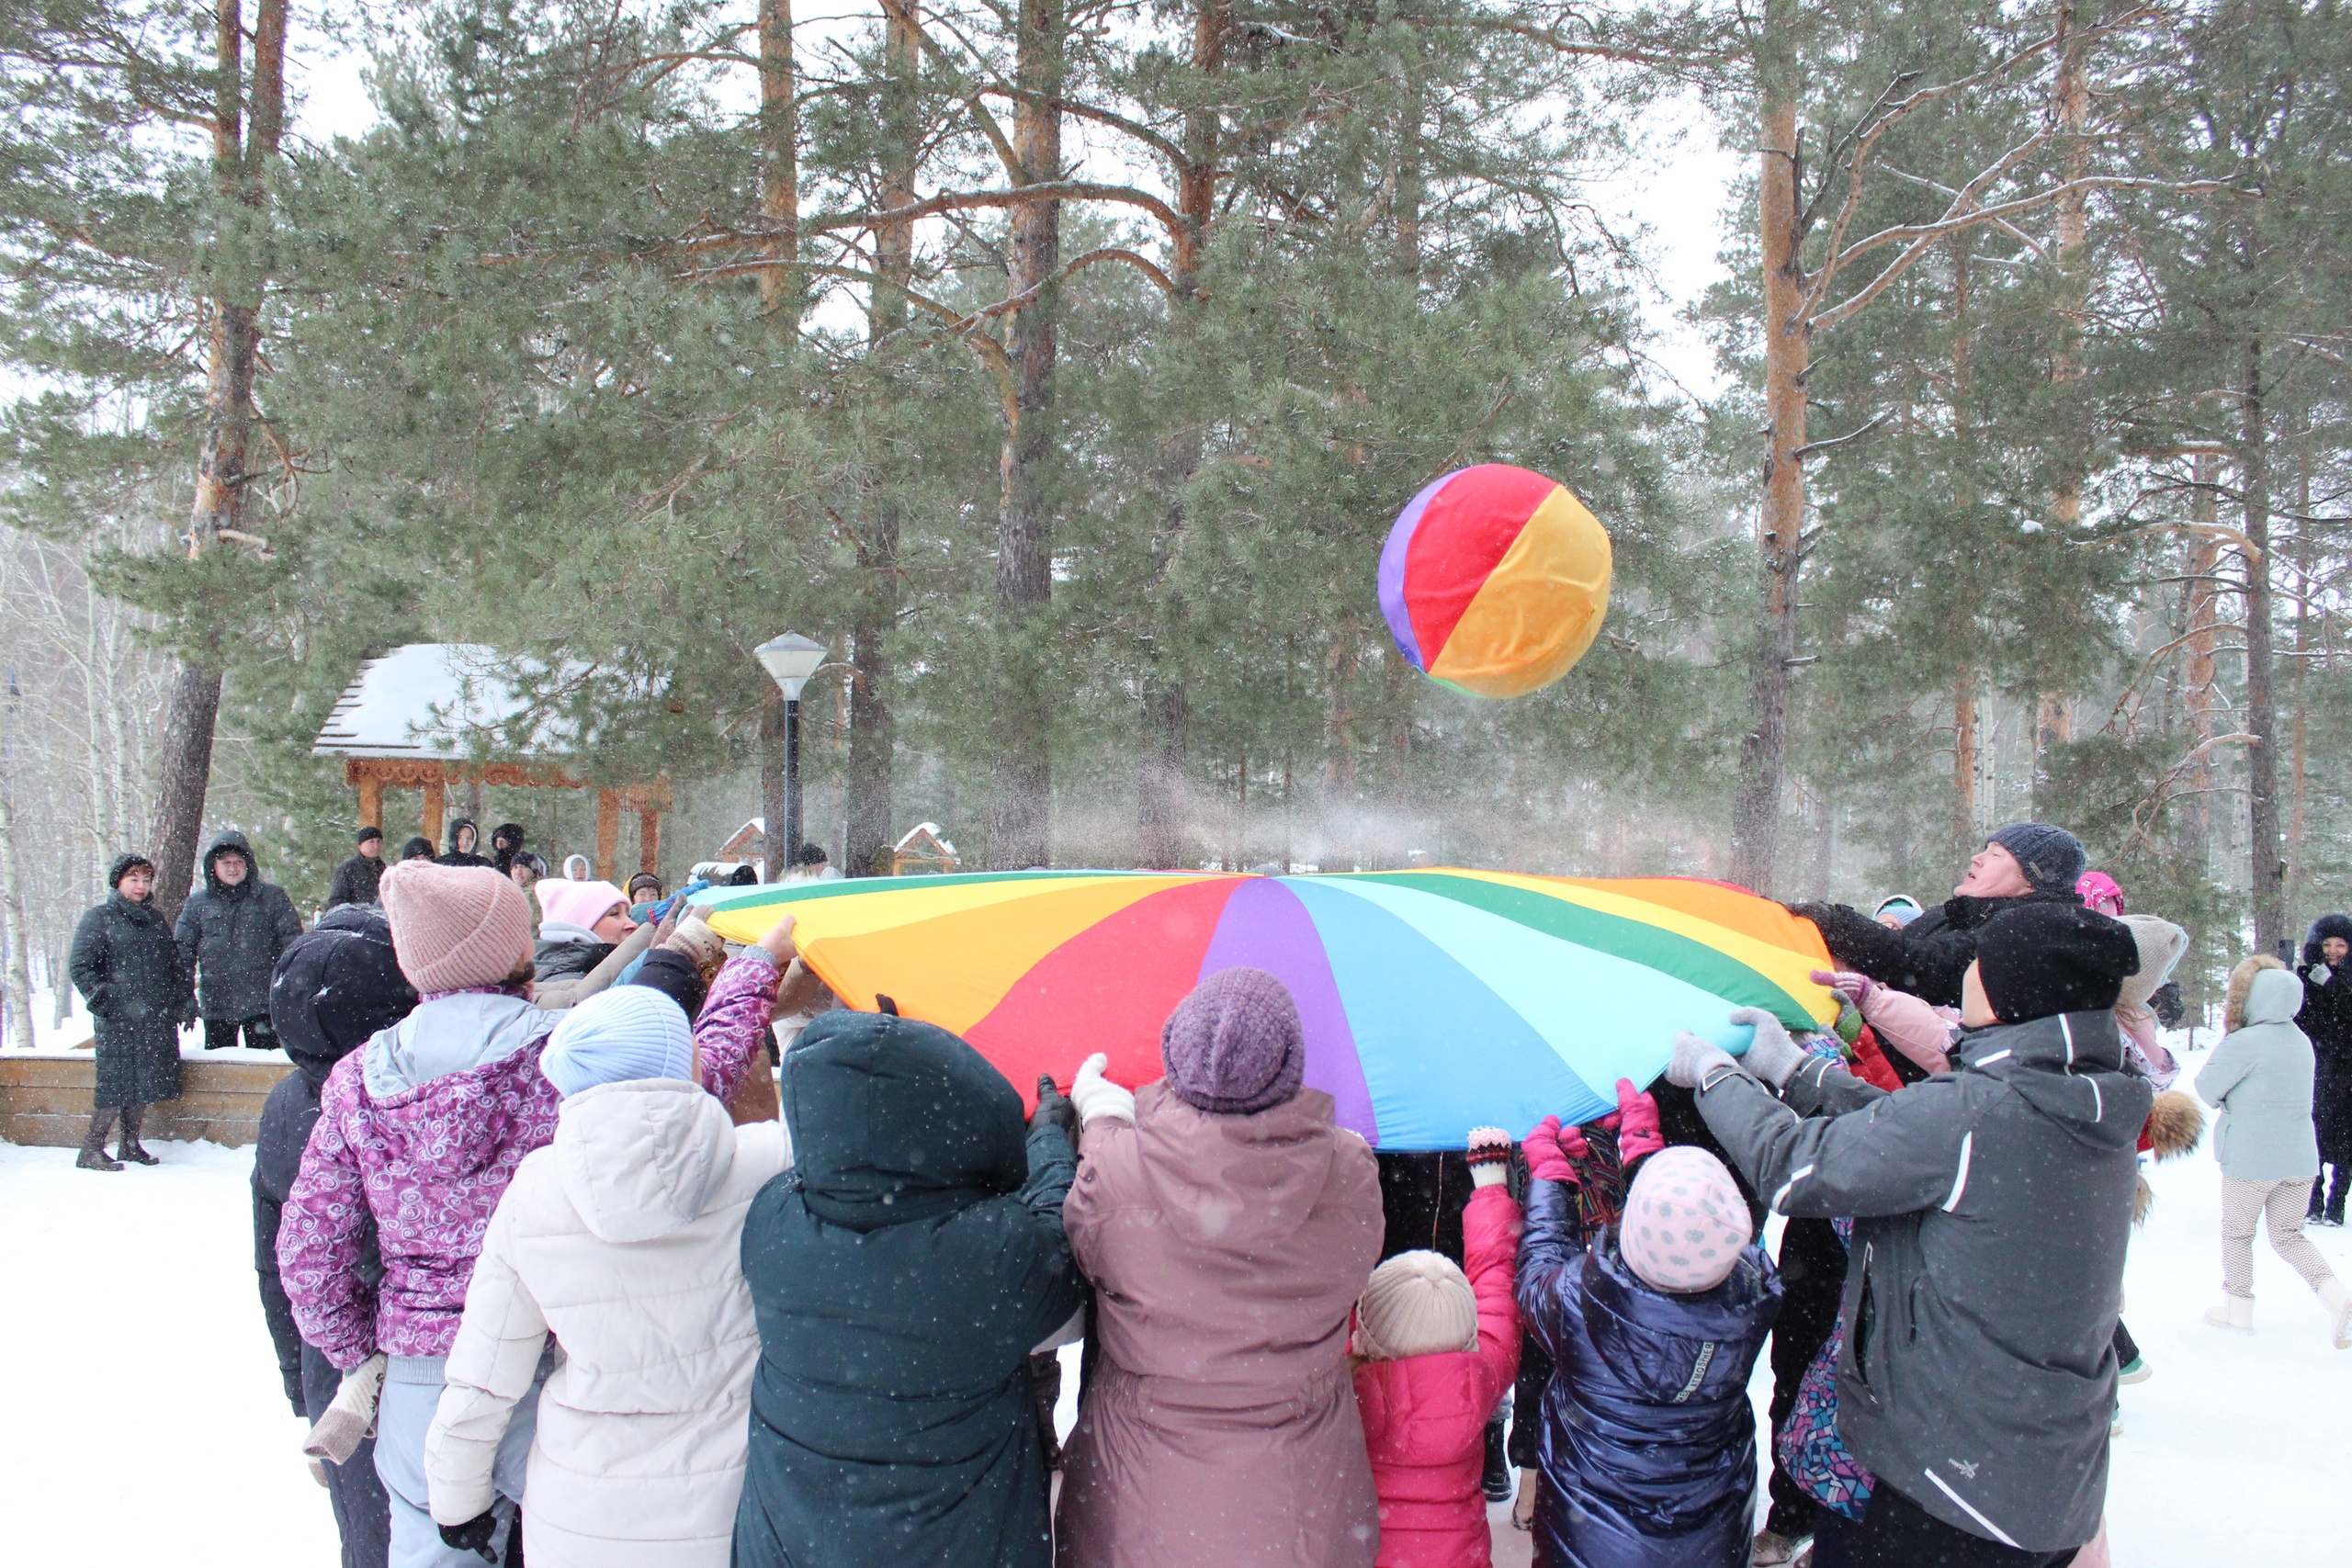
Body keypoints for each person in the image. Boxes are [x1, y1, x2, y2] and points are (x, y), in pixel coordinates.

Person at [277, 861, 787, 1568]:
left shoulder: (357, 1079)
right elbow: (694, 1078)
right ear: (505, 948)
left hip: (420, 1386)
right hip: (550, 1362)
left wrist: (364, 1355)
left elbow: (309, 1251)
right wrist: (751, 973)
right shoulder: (558, 1050)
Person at [1667, 900, 2147, 1566]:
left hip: (1950, 1486)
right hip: (2043, 1473)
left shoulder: (1981, 1111)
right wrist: (1802, 1073)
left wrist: (1717, 1076)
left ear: (2008, 991)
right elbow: (1914, 1129)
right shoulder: (2080, 1092)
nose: (1967, 972)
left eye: (1979, 962)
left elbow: (1794, 1167)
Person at [423, 985, 793, 1565]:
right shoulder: (768, 1161)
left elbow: (484, 1374)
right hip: (735, 1508)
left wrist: (456, 1500)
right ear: (683, 1064)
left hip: (579, 1519)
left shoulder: (535, 1192)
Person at [1055, 968, 1385, 1568]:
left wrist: (1103, 1122)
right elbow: (1357, 1255)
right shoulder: (1348, 1169)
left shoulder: (1118, 1171)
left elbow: (1087, 1238)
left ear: (1176, 1057)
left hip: (1140, 1495)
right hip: (1302, 1504)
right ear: (1287, 1066)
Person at [730, 1010, 1086, 1568]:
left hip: (792, 1542)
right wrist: (1047, 1144)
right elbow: (1061, 1260)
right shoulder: (987, 1257)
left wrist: (875, 1101)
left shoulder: (773, 1221)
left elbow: (866, 1171)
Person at [1517, 1102, 1776, 1568]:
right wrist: (1648, 1163)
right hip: (1709, 1542)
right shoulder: (1748, 1307)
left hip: (1590, 1540)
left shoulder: (1583, 1302)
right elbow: (1688, 1234)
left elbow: (1537, 1276)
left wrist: (1551, 1182)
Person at [256, 907, 415, 1568]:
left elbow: (275, 1264)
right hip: (418, 1358)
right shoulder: (418, 1099)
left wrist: (301, 1383)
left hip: (337, 1367)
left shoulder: (287, 1102)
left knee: (372, 1537)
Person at [1353, 1126, 1522, 1568]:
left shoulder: (1342, 1388)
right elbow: (1496, 1289)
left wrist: (1348, 1180)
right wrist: (1491, 1190)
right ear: (1471, 1336)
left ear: (1361, 1332)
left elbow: (1323, 1289)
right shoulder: (1482, 1377)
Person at [2195, 955, 2352, 1348]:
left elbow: (2206, 1088)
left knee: (2238, 1234)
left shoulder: (2244, 1042)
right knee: (2288, 1235)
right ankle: (2338, 1299)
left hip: (2251, 1160)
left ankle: (2238, 1311)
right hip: (2300, 1159)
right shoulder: (2301, 1041)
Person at [1789, 823, 2087, 1007]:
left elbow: (1921, 965)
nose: (1977, 858)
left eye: (1996, 854)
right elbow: (1894, 955)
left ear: (2031, 882)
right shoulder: (1950, 913)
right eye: (1985, 849)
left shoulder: (2028, 934)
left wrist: (1835, 922)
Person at [65, 854, 193, 1170]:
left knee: (144, 1082)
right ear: (118, 882)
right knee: (116, 1085)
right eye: (133, 879)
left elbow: (173, 966)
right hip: (118, 1019)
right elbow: (80, 967)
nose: (140, 886)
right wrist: (105, 998)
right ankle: (91, 1149)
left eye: (145, 879)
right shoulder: (99, 918)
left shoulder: (155, 919)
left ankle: (131, 1145)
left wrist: (184, 1000)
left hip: (154, 1016)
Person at [176, 829, 304, 1052]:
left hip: (262, 1003)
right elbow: (182, 952)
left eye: (238, 862)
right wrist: (183, 995)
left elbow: (293, 945)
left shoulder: (271, 898)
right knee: (220, 1067)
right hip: (217, 1003)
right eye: (226, 863)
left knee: (262, 1065)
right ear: (214, 866)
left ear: (248, 864)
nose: (232, 868)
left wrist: (290, 988)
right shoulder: (197, 904)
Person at [2296, 914, 2352, 1226]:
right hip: (2316, 1067)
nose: (2332, 951)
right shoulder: (2306, 976)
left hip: (2348, 1069)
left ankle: (2337, 1203)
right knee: (2313, 1134)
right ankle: (2313, 1201)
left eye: (2340, 945)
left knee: (2347, 1139)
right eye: (2327, 944)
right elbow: (2300, 1018)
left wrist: (2332, 985)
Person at [534, 878, 658, 1010]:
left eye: (629, 915)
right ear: (580, 927)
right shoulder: (568, 984)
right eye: (614, 914)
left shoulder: (580, 971)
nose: (633, 924)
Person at [328, 829, 389, 910]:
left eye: (379, 841)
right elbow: (337, 902)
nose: (376, 846)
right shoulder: (347, 869)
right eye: (371, 842)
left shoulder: (385, 870)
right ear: (360, 846)